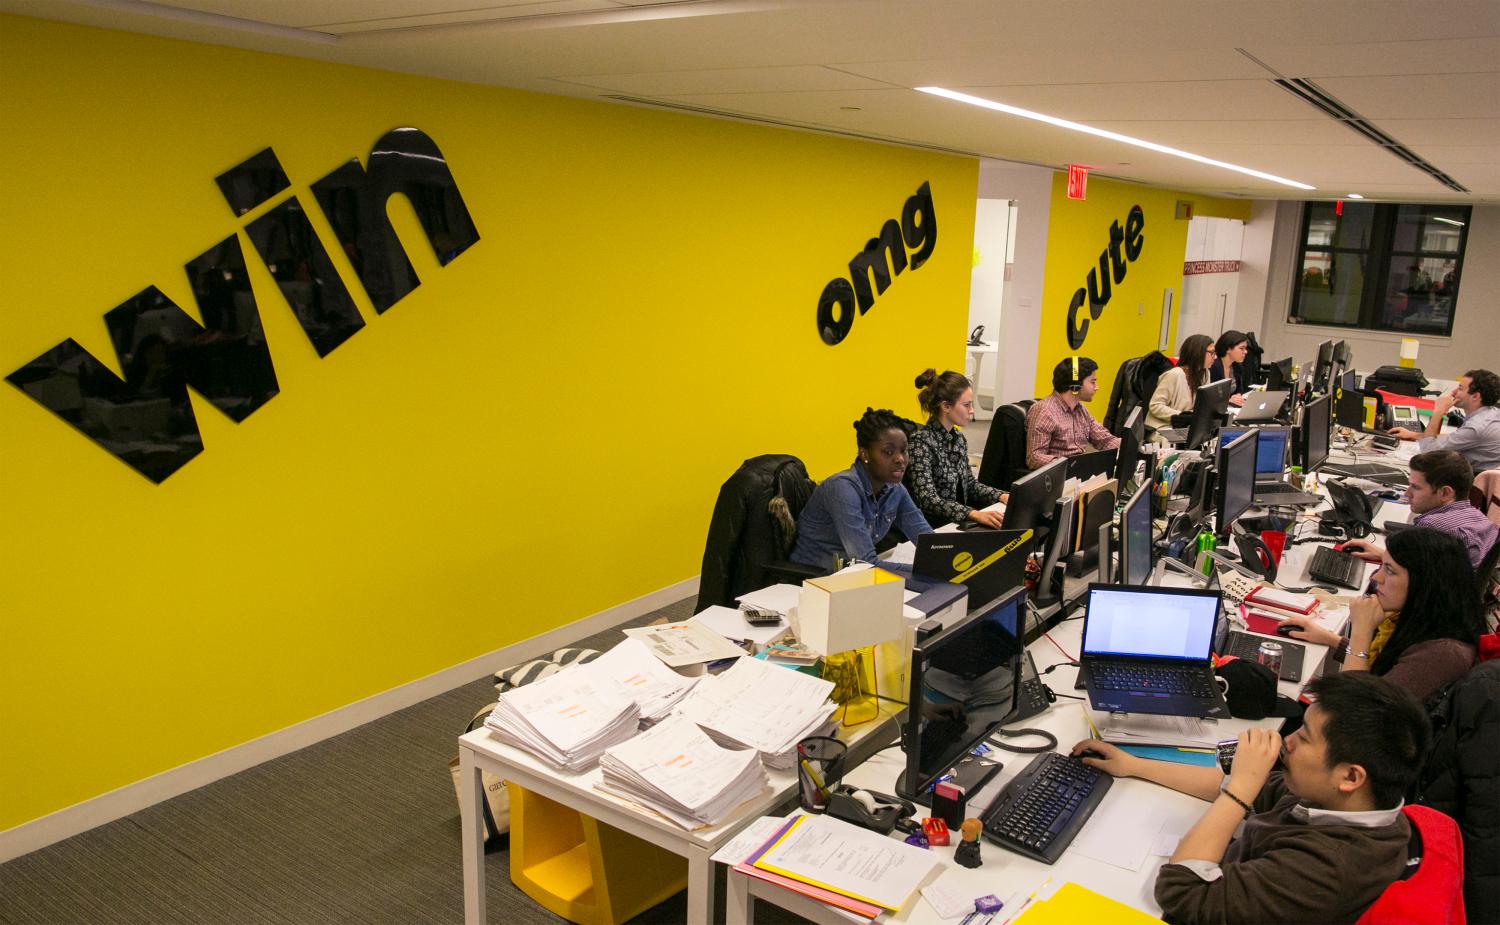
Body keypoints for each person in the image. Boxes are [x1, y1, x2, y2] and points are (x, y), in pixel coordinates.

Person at [1070, 672, 1430, 925]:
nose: (1288, 741)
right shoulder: (1345, 801)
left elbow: (1180, 891)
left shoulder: (1329, 869)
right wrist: (1135, 765)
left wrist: (1240, 790)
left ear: (1350, 777)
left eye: (1304, 737)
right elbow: (1250, 787)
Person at [1281, 527, 1483, 702]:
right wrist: (1331, 640)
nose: (1377, 577)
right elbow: (1388, 668)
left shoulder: (1442, 655)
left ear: (1425, 583)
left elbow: (1350, 710)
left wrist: (1361, 630)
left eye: (1390, 571)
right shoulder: (1426, 623)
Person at [790, 408, 932, 569]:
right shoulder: (842, 488)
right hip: (814, 577)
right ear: (864, 455)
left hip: (852, 574)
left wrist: (946, 560)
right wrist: (927, 570)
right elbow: (866, 563)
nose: (900, 459)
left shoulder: (895, 489)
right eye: (889, 452)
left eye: (904, 450)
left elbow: (930, 543)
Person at [1339, 450, 1497, 568]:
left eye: (1415, 487)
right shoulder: (1481, 520)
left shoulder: (1432, 527)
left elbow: (1405, 582)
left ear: (1445, 493)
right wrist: (1385, 555)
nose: (1407, 493)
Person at [907, 369, 1008, 528]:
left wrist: (1001, 495)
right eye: (967, 405)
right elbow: (928, 499)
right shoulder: (920, 442)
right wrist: (972, 513)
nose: (972, 410)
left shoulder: (958, 439)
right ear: (946, 406)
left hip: (956, 521)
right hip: (933, 527)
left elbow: (970, 485)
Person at [1390, 369, 1500, 473]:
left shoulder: (1476, 427)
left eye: (1460, 388)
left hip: (1472, 482)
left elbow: (1428, 452)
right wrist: (1415, 435)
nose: (1454, 392)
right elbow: (1455, 437)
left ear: (1475, 396)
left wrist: (1438, 411)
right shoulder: (1492, 414)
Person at [1024, 356, 1120, 470]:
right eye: (1093, 382)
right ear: (1076, 385)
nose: (1096, 387)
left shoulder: (1081, 409)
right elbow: (1034, 458)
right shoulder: (1045, 411)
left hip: (1079, 471)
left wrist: (1130, 446)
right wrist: (1070, 464)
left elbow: (1104, 440)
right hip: (1060, 475)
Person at [1146, 334, 1215, 431]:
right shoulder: (1174, 375)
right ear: (1198, 353)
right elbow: (1155, 405)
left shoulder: (1205, 373)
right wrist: (1181, 416)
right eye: (1211, 353)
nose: (1214, 357)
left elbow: (1202, 404)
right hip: (1163, 427)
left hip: (1184, 427)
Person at [1209, 330, 1252, 403]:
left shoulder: (1238, 367)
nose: (1245, 352)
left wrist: (1237, 395)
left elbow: (1240, 390)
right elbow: (1210, 396)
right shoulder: (1213, 366)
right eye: (1242, 348)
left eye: (1245, 348)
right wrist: (1228, 400)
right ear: (1228, 349)